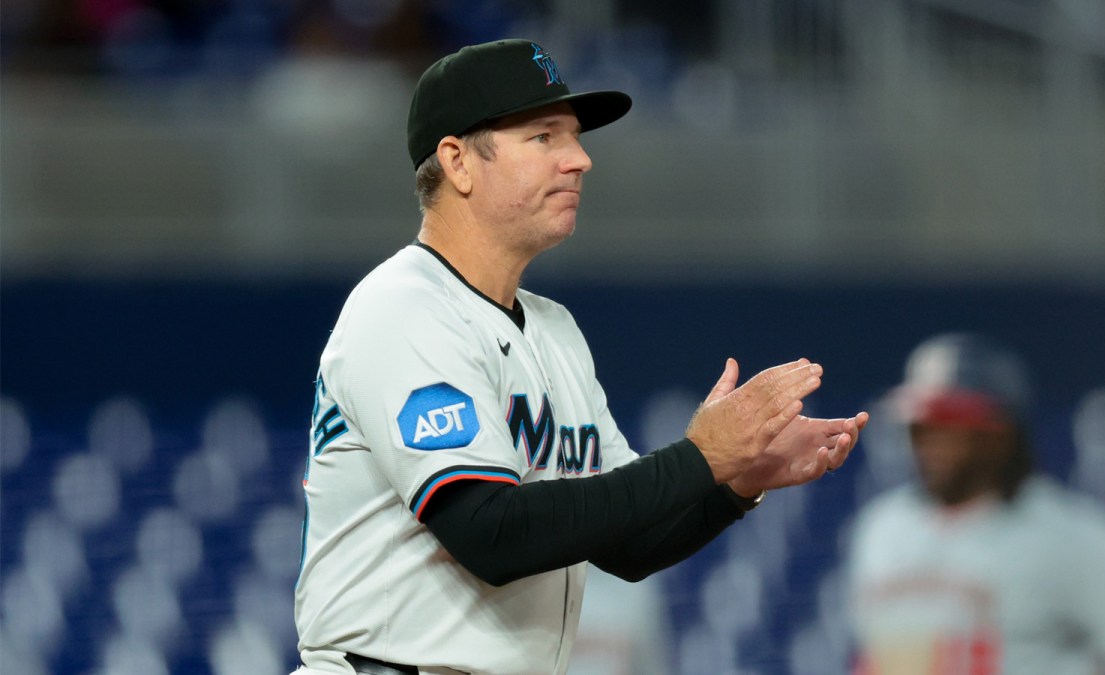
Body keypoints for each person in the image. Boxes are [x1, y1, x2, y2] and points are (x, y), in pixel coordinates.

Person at [291, 38, 870, 675]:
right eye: (544, 137)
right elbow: (491, 534)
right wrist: (700, 456)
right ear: (457, 162)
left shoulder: (553, 328)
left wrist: (734, 480)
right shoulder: (405, 307)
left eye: (573, 137)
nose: (580, 160)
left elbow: (626, 544)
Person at [846, 332, 1105, 675]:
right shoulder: (881, 527)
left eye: (951, 426)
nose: (932, 444)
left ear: (999, 434)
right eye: (923, 427)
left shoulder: (1068, 534)